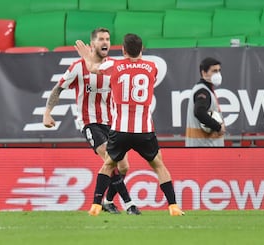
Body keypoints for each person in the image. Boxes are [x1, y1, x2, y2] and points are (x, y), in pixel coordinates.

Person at [75, 33, 185, 216]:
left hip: (120, 129)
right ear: (141, 49)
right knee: (159, 165)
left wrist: (86, 56)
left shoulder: (114, 65)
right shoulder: (152, 67)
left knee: (109, 165)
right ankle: (173, 206)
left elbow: (93, 68)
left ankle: (95, 205)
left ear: (123, 50)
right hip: (144, 130)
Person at [43, 28, 141, 215]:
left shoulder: (113, 65)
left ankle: (108, 201)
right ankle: (130, 204)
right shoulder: (77, 67)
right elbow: (58, 89)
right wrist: (47, 112)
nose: (106, 42)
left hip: (112, 122)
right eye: (101, 39)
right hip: (89, 122)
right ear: (92, 44)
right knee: (109, 159)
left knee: (124, 166)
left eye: (108, 39)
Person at [185, 57, 226, 147]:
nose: (218, 74)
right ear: (204, 73)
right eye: (214, 71)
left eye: (219, 70)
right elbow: (199, 112)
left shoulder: (205, 89)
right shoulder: (203, 91)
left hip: (203, 146)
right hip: (204, 147)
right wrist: (218, 127)